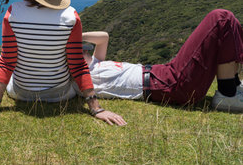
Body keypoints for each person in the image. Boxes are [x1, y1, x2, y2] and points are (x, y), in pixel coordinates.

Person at [0, 0, 126, 126]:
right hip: (60, 95)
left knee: (3, 55)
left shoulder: (13, 13)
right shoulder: (71, 16)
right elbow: (77, 65)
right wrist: (96, 108)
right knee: (73, 58)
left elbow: (7, 61)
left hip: (20, 93)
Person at [82, 9, 243, 112]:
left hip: (165, 74)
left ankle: (234, 87)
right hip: (168, 84)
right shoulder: (83, 78)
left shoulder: (96, 63)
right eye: (79, 49)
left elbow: (104, 37)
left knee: (231, 22)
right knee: (221, 18)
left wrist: (76, 36)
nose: (83, 49)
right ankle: (227, 94)